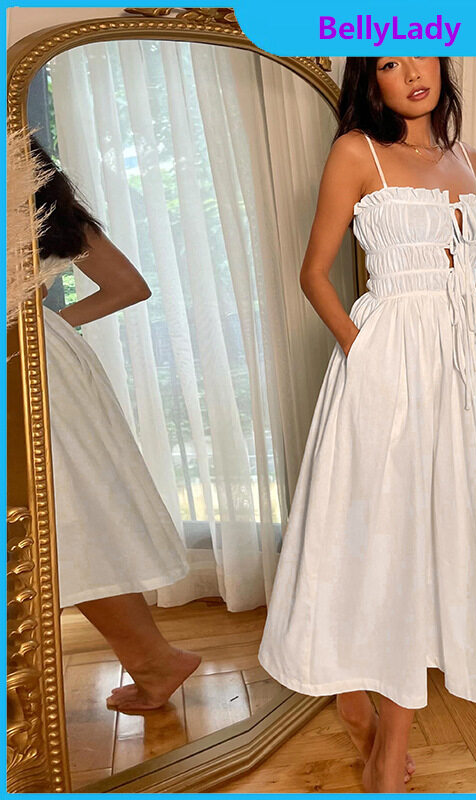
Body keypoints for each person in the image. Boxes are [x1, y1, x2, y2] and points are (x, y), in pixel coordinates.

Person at [257, 58, 476, 791]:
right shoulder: (356, 153)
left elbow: (461, 274)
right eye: (388, 65)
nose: (410, 74)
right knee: (377, 538)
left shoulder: (470, 159)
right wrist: (361, 349)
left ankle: (376, 721)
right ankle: (367, 726)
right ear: (370, 84)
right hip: (387, 361)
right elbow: (314, 272)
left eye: (417, 55)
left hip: (466, 367)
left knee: (439, 541)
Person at [30, 136, 201, 713]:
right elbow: (130, 286)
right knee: (71, 517)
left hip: (27, 367)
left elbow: (130, 290)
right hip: (42, 360)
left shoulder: (32, 208)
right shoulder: (53, 209)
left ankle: (154, 661)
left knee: (68, 520)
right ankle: (153, 660)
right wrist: (50, 328)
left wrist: (38, 328)